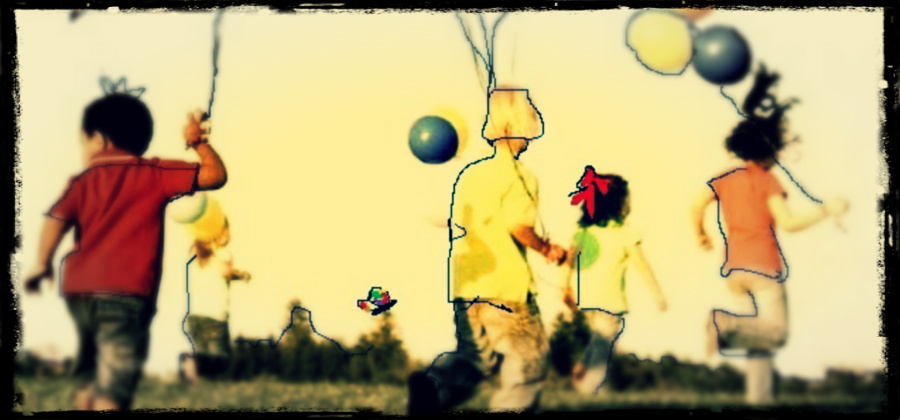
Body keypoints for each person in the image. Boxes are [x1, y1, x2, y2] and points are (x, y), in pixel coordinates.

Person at [22, 90, 227, 411]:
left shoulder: (83, 180)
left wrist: (42, 264)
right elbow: (215, 175)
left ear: (99, 139)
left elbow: (55, 219)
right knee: (113, 385)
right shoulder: (155, 173)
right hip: (125, 293)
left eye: (83, 141)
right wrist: (198, 143)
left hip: (79, 292)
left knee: (89, 380)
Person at [408, 87, 569, 415]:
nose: (536, 119)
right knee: (525, 365)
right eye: (531, 113)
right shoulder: (521, 177)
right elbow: (517, 226)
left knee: (475, 360)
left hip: (467, 288)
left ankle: (435, 386)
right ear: (518, 124)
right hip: (507, 289)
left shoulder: (470, 174)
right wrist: (547, 248)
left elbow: (458, 222)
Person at [692, 65, 848, 360]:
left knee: (757, 339)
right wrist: (826, 210)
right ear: (770, 148)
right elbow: (789, 223)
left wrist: (700, 233)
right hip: (762, 266)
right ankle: (724, 323)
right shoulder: (767, 181)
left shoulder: (725, 178)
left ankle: (752, 382)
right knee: (776, 333)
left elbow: (696, 204)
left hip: (734, 269)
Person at [560, 167, 667, 396]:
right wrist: (658, 294)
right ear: (619, 203)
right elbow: (642, 266)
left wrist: (564, 286)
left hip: (585, 299)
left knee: (598, 338)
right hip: (610, 300)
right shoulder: (626, 232)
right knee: (603, 347)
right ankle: (587, 390)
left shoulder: (583, 231)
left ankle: (582, 367)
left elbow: (569, 260)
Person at [180, 219, 251, 384]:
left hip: (194, 317)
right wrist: (243, 275)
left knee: (203, 357)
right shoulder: (223, 254)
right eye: (226, 231)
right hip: (214, 317)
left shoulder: (195, 254)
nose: (228, 235)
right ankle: (192, 361)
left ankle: (194, 380)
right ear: (218, 233)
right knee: (221, 360)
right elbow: (226, 272)